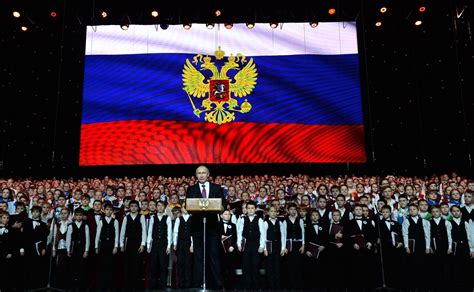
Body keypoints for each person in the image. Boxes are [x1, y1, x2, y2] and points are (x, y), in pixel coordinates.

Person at [186, 165, 224, 289]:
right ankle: (199, 283)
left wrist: (221, 207)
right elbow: (188, 204)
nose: (201, 175)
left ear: (208, 175)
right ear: (196, 175)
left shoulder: (216, 188)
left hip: (212, 227)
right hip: (197, 227)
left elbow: (223, 203)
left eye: (204, 173)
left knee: (213, 255)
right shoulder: (191, 189)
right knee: (198, 256)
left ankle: (217, 284)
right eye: (199, 173)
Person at [237, 201, 265, 289]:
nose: (250, 210)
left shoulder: (259, 220)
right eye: (248, 208)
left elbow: (263, 233)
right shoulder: (242, 219)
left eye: (252, 208)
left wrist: (262, 245)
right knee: (246, 265)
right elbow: (239, 232)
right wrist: (239, 244)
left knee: (255, 264)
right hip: (245, 244)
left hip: (255, 245)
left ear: (255, 209)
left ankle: (256, 284)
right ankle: (246, 284)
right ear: (246, 209)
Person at [402, 203, 431, 287]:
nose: (412, 211)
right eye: (410, 210)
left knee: (423, 265)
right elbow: (405, 234)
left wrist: (427, 247)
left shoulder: (424, 221)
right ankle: (414, 285)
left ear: (418, 210)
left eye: (414, 209)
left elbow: (427, 235)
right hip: (412, 247)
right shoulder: (406, 221)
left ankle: (423, 284)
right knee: (413, 265)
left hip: (422, 245)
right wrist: (406, 246)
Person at [120, 200, 147, 289]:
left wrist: (143, 244)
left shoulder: (141, 217)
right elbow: (122, 232)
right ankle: (128, 284)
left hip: (138, 242)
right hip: (129, 243)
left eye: (135, 206)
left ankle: (137, 284)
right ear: (129, 207)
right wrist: (121, 244)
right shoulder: (126, 218)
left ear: (138, 207)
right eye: (132, 206)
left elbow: (144, 231)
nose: (133, 208)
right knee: (128, 264)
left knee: (137, 263)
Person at [146, 200, 172, 289]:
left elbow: (169, 233)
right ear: (156, 207)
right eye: (159, 206)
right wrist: (148, 244)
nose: (160, 207)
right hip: (155, 243)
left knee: (163, 264)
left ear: (164, 207)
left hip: (163, 243)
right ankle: (152, 284)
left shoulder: (167, 218)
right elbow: (150, 232)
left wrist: (168, 246)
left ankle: (163, 284)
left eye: (162, 206)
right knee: (153, 264)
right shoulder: (153, 218)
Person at [95, 202, 119, 289]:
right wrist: (96, 246)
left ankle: (110, 284)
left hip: (111, 245)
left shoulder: (115, 221)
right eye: (107, 210)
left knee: (111, 265)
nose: (108, 211)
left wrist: (116, 246)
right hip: (103, 245)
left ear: (112, 211)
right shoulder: (101, 221)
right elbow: (98, 235)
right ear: (104, 211)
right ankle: (102, 284)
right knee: (102, 265)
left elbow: (117, 234)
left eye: (110, 210)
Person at [262, 205, 286, 290]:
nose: (273, 213)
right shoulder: (265, 223)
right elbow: (263, 236)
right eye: (271, 211)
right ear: (268, 213)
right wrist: (264, 249)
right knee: (269, 267)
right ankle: (270, 286)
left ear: (277, 213)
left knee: (277, 267)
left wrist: (283, 248)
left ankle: (277, 286)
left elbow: (283, 236)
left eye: (274, 211)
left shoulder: (280, 223)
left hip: (278, 247)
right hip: (269, 248)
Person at [66, 208, 90, 289]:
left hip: (82, 248)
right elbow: (68, 238)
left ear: (83, 216)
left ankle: (81, 285)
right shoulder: (71, 226)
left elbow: (87, 239)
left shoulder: (86, 225)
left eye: (80, 215)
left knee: (82, 267)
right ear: (74, 216)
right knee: (73, 266)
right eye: (77, 215)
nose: (79, 217)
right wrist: (68, 250)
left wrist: (86, 250)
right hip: (74, 248)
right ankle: (73, 284)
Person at [173, 204, 194, 289]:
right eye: (183, 207)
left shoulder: (192, 219)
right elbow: (175, 232)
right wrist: (175, 244)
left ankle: (188, 283)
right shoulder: (178, 219)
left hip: (189, 243)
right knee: (180, 263)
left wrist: (192, 244)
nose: (184, 209)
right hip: (180, 243)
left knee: (188, 263)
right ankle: (180, 283)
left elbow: (192, 233)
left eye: (186, 207)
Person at [220, 209, 237, 290]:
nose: (227, 215)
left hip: (230, 250)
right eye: (225, 214)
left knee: (231, 267)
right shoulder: (218, 225)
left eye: (229, 214)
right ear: (221, 216)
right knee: (221, 267)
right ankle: (221, 284)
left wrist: (232, 246)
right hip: (220, 250)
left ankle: (231, 285)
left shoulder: (233, 225)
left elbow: (235, 237)